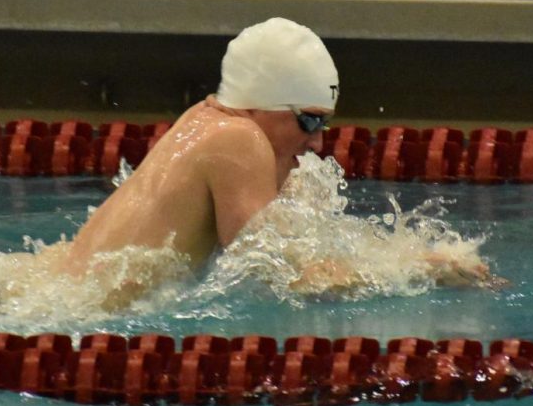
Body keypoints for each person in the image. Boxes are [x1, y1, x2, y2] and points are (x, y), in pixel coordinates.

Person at [47, 17, 502, 306]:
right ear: (264, 104)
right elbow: (290, 278)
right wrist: (421, 270)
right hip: (79, 325)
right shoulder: (238, 140)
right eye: (307, 121)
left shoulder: (206, 118)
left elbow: (297, 244)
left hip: (60, 296)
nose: (318, 142)